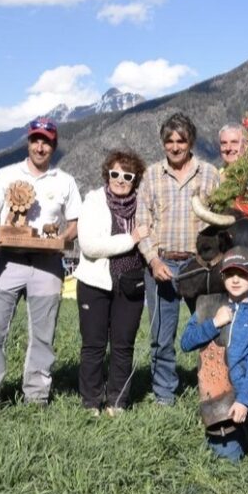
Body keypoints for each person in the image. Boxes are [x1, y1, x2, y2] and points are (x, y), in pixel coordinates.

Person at [0, 117, 81, 407]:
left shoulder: (65, 181)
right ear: (28, 142)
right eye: (35, 140)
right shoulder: (7, 175)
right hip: (8, 262)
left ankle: (36, 396)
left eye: (46, 141)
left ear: (54, 146)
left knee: (44, 335)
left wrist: (62, 239)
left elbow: (74, 223)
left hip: (48, 266)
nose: (40, 146)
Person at [137, 112, 221, 405]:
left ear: (191, 142)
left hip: (199, 266)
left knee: (210, 332)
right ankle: (164, 395)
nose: (174, 147)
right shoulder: (151, 175)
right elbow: (141, 223)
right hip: (162, 265)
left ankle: (213, 391)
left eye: (181, 141)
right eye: (169, 141)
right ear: (163, 143)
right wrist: (152, 260)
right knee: (162, 336)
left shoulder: (210, 174)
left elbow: (221, 217)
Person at [180, 246, 248, 463]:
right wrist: (214, 324)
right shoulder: (207, 305)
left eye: (243, 274)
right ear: (222, 276)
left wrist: (244, 400)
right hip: (219, 391)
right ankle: (245, 433)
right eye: (230, 274)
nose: (236, 280)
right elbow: (185, 343)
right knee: (230, 459)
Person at [74, 150, 149, 415]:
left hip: (131, 285)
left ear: (135, 179)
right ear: (107, 174)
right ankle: (91, 401)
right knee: (93, 345)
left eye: (127, 176)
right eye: (115, 173)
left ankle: (117, 401)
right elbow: (90, 246)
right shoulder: (93, 201)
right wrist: (131, 239)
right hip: (94, 283)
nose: (120, 180)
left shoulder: (143, 203)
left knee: (123, 345)